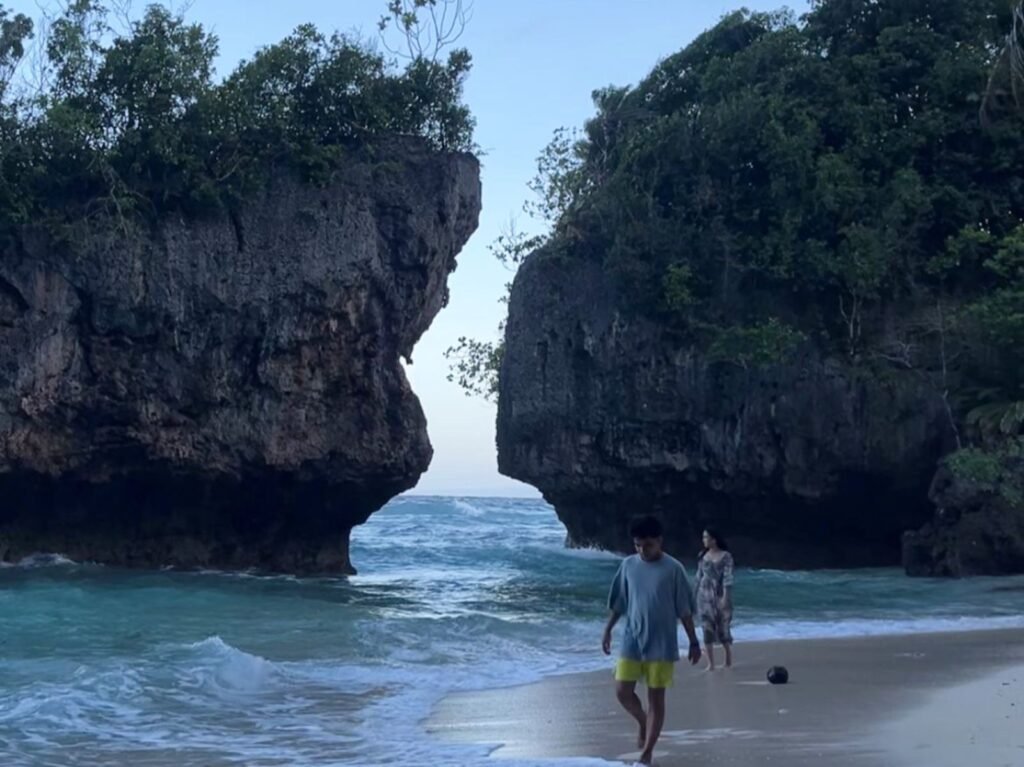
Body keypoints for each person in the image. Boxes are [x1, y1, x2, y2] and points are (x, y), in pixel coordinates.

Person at [602, 515, 701, 766]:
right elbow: (619, 602)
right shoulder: (628, 565)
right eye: (637, 545)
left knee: (656, 698)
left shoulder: (673, 569)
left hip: (661, 642)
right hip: (631, 639)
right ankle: (644, 722)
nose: (642, 550)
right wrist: (607, 630)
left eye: (647, 545)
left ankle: (646, 754)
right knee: (622, 691)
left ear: (659, 541)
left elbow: (684, 609)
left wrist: (693, 641)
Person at [695, 528, 735, 671]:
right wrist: (692, 596)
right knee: (706, 627)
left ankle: (728, 657)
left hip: (719, 595)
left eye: (706, 537)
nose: (704, 540)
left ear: (714, 539)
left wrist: (725, 597)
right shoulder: (702, 555)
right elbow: (698, 577)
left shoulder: (726, 556)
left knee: (723, 628)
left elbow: (728, 577)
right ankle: (710, 664)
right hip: (704, 596)